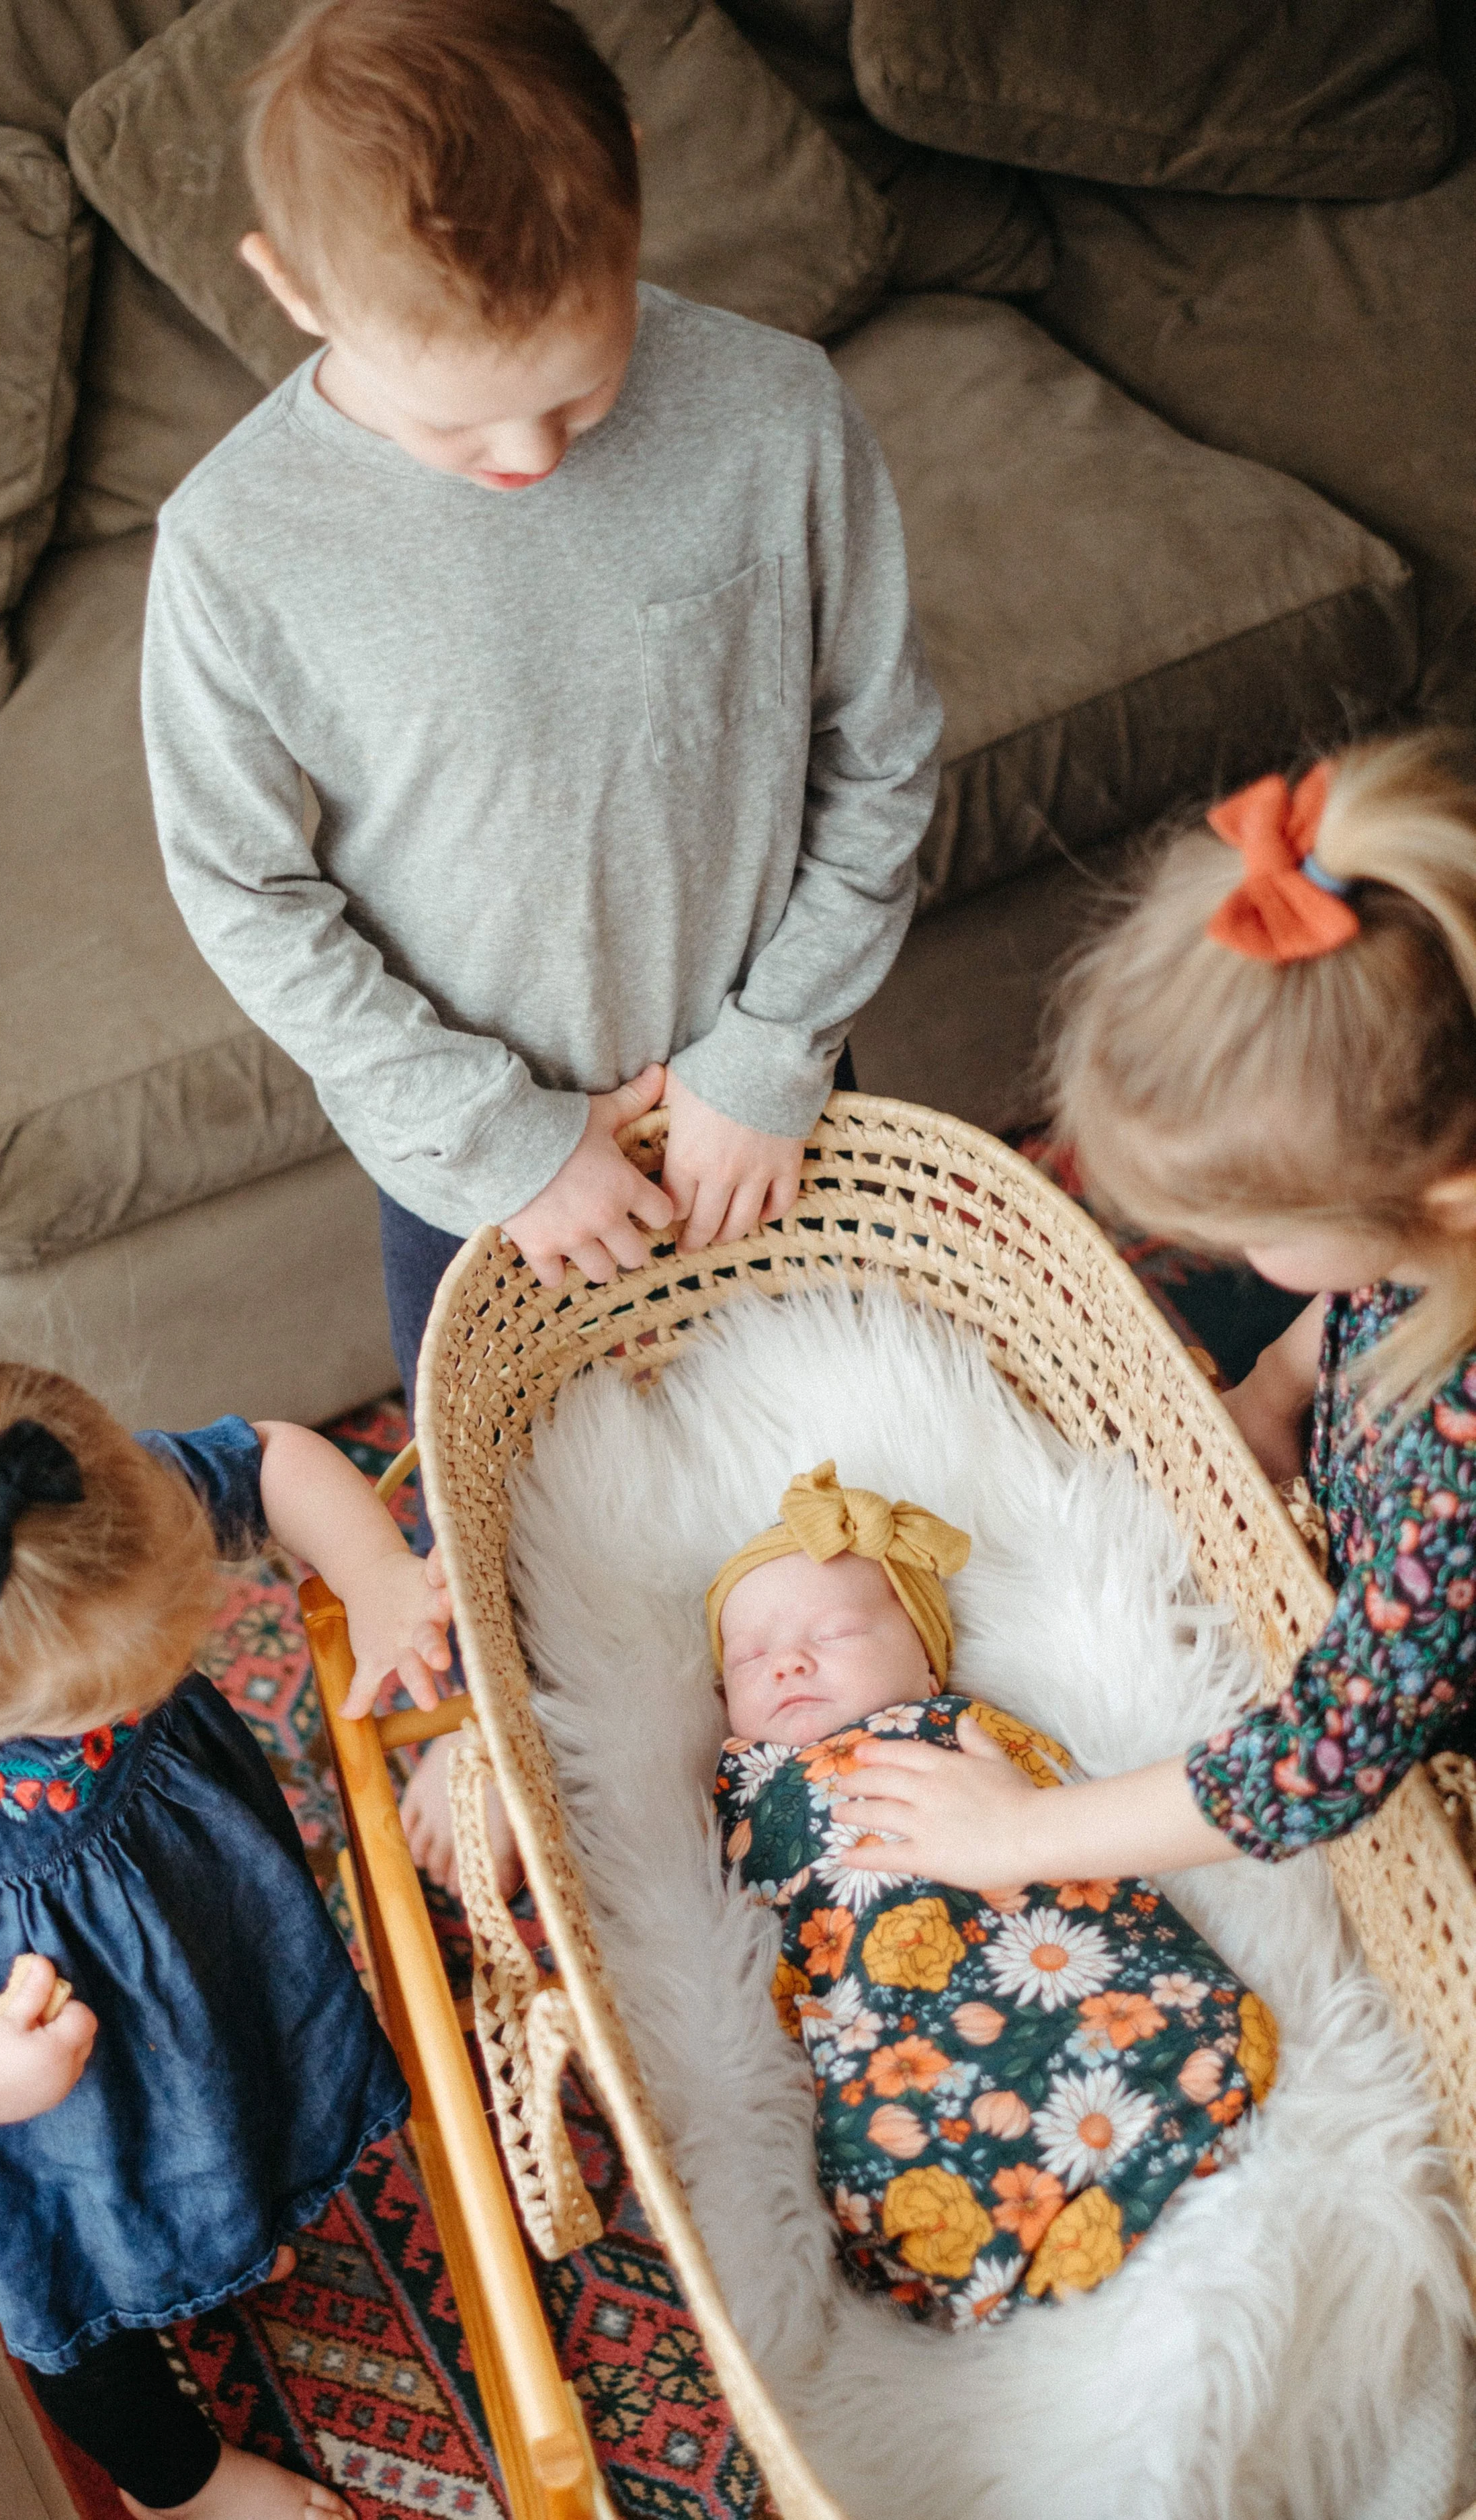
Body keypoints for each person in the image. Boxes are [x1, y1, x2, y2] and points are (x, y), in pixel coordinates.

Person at [138, 0, 941, 1890]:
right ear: (285, 285)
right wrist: (511, 1143)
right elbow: (247, 893)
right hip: (482, 1174)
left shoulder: (769, 408)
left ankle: (879, 1837)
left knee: (864, 1496)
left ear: (638, 216)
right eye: (458, 417)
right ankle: (594, 1863)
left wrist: (769, 1055)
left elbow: (883, 747)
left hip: (782, 1086)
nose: (527, 452)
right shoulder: (237, 551)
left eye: (576, 400)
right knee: (542, 1552)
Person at [822, 728, 1476, 1895]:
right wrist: (1260, 1403)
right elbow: (1335, 1337)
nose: (1231, 1252)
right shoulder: (1427, 1227)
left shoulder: (1460, 1475)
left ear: (1442, 1197)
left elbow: (1319, 1763)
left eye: (1257, 1231)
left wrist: (1018, 1837)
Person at [0, 1361, 452, 2520]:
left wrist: (379, 1571)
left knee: (232, 2098)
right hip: (33, 2111)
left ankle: (207, 2238)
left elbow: (266, 1459)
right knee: (70, 2295)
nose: (160, 1679)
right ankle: (178, 2485)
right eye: (106, 1701)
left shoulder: (94, 1511)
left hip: (189, 1940)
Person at [710, 1464, 1275, 2327]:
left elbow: (1065, 1816)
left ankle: (1166, 2123)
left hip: (1034, 1944)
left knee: (1102, 2001)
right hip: (882, 2008)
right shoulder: (746, 1783)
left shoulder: (953, 1727)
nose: (788, 1661)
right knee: (888, 2131)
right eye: (751, 1657)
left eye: (837, 1631)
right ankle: (1000, 2237)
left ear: (927, 1658)